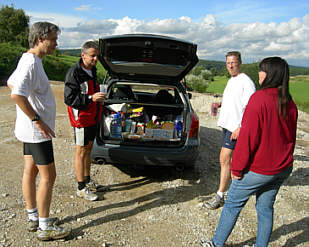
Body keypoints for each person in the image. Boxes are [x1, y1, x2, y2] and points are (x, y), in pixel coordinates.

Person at [200, 57, 298, 247]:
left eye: (262, 70)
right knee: (265, 208)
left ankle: (216, 243)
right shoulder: (289, 101)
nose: (259, 74)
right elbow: (290, 138)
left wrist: (237, 169)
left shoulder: (260, 99)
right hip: (283, 167)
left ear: (269, 74)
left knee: (231, 205)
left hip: (260, 169)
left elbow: (247, 139)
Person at [7, 22, 70, 241]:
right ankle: (45, 226)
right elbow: (16, 94)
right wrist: (37, 120)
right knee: (48, 176)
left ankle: (33, 217)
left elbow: (10, 83)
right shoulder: (31, 63)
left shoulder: (29, 59)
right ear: (40, 39)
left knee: (30, 171)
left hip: (28, 130)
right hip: (36, 132)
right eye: (53, 39)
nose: (56, 44)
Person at [203, 51, 256, 209]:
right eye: (228, 63)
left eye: (233, 62)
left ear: (240, 63)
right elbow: (233, 102)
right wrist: (219, 105)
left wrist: (241, 127)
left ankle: (221, 195)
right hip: (228, 126)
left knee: (224, 159)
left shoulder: (246, 82)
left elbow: (251, 109)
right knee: (230, 162)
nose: (230, 66)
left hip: (236, 129)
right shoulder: (232, 81)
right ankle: (233, 195)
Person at [64, 41, 107, 201]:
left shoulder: (92, 70)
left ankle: (88, 181)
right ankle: (81, 187)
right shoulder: (74, 73)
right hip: (81, 119)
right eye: (92, 56)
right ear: (83, 55)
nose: (96, 59)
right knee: (81, 151)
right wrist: (91, 98)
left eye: (97, 56)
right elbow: (69, 98)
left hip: (93, 117)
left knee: (89, 149)